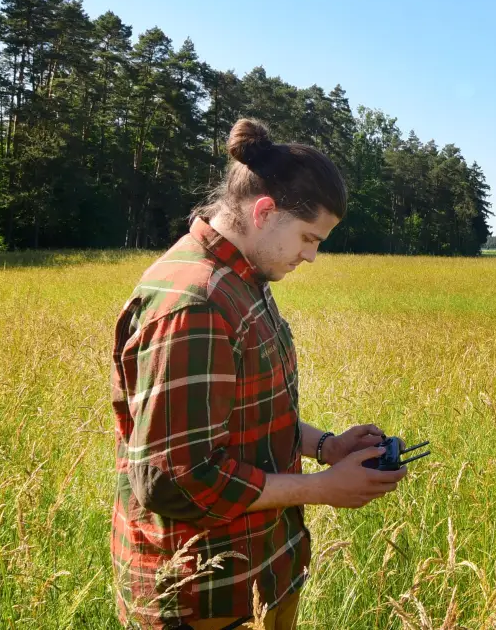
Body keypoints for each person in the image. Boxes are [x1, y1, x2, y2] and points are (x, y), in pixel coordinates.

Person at [111, 119, 406, 630]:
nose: (311, 256)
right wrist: (320, 487)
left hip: (256, 570)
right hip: (203, 594)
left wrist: (325, 447)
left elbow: (248, 415)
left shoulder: (243, 277)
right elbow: (174, 480)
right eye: (308, 238)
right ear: (265, 211)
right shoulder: (195, 302)